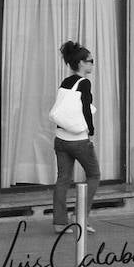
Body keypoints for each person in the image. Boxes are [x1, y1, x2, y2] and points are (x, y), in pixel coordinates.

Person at [52, 40, 101, 234]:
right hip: (78, 140)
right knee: (94, 175)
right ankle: (80, 217)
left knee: (63, 179)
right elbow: (86, 110)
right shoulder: (85, 83)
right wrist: (91, 131)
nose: (92, 64)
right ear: (81, 63)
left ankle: (59, 223)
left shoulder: (65, 82)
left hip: (60, 138)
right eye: (90, 61)